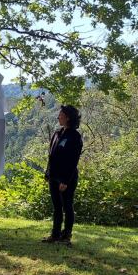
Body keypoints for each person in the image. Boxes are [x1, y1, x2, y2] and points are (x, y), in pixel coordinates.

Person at [43, 105, 83, 245]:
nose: (58, 117)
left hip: (66, 178)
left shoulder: (75, 136)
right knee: (57, 207)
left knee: (67, 206)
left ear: (68, 117)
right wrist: (48, 172)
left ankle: (66, 236)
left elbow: (73, 161)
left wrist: (65, 181)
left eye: (60, 114)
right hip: (54, 176)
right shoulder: (57, 133)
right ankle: (55, 234)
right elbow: (52, 155)